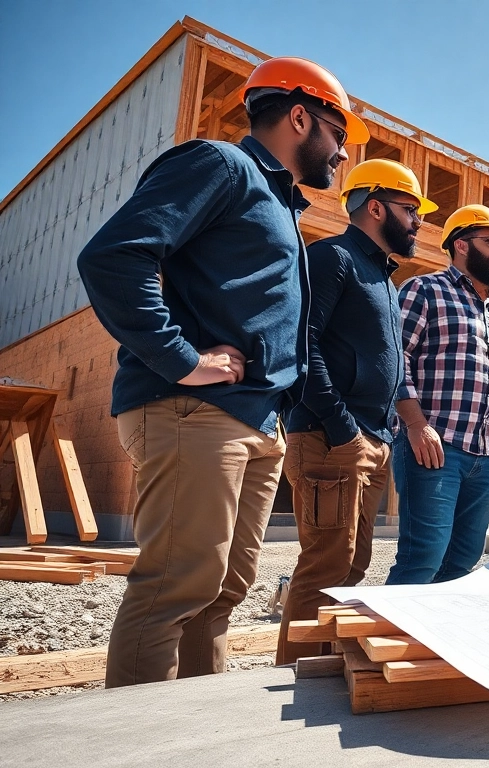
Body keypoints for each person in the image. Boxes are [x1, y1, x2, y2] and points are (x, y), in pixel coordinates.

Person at [77, 57, 367, 686]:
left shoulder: (278, 202)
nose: (343, 154)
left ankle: (191, 728)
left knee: (222, 593)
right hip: (196, 413)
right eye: (339, 134)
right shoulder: (220, 165)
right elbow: (113, 257)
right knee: (175, 589)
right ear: (299, 117)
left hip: (255, 420)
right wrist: (181, 358)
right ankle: (138, 734)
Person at [275, 159, 436, 663]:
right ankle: (293, 677)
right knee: (324, 567)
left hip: (371, 441)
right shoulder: (332, 258)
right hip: (331, 439)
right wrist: (343, 428)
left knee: (351, 567)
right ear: (376, 207)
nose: (418, 222)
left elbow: (390, 363)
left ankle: (322, 668)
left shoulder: (384, 279)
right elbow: (303, 344)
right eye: (410, 210)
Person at [386, 204, 489, 584]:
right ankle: (385, 623)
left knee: (464, 559)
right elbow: (397, 358)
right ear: (461, 245)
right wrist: (416, 424)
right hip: (434, 448)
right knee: (423, 556)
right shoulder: (424, 290)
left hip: (487, 457)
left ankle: (428, 625)